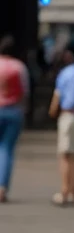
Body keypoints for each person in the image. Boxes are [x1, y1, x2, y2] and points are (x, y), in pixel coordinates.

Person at [48, 37, 74, 206]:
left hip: (69, 114)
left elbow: (60, 96)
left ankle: (65, 191)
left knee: (65, 154)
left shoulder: (69, 72)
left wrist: (52, 111)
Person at [0, 35, 29, 203]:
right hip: (13, 111)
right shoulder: (19, 68)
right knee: (6, 150)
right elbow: (25, 92)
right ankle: (2, 187)